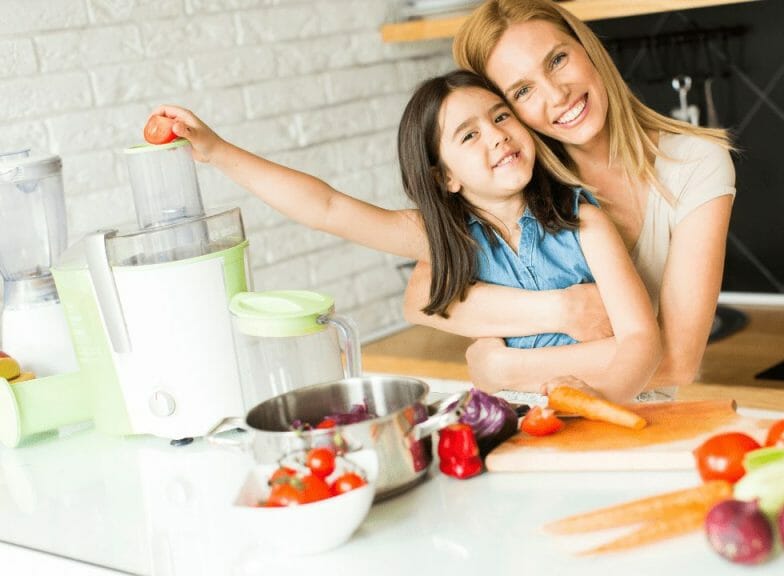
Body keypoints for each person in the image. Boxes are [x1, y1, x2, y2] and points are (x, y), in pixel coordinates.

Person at [152, 70, 661, 404]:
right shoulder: (443, 239)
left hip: (611, 398)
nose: (498, 134)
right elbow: (326, 207)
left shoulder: (583, 220)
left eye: (501, 116)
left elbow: (639, 339)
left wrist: (597, 402)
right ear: (445, 178)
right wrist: (217, 151)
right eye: (469, 135)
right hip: (515, 414)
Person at [403, 0, 735, 398]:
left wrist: (507, 368)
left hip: (635, 423)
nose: (557, 94)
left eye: (557, 59)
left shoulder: (694, 163)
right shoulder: (516, 180)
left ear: (587, 47)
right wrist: (564, 309)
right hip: (534, 427)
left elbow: (677, 361)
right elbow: (421, 295)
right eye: (523, 90)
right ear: (506, 110)